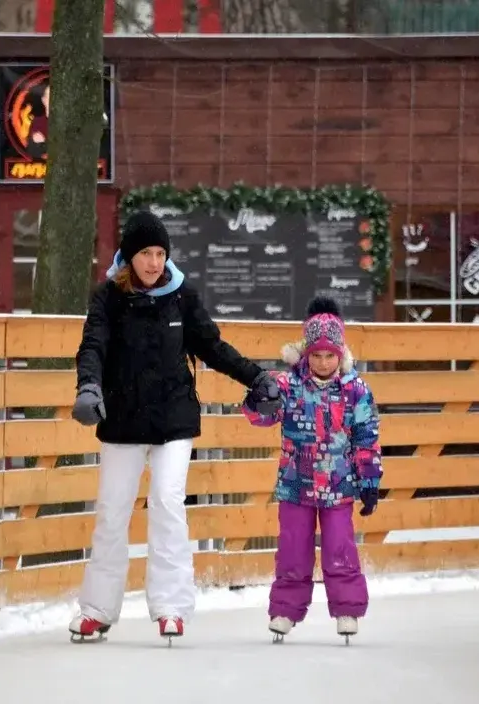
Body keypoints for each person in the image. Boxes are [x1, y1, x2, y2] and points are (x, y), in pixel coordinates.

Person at [68, 210, 281, 643]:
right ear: (129, 256)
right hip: (123, 420)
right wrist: (89, 387)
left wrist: (256, 376)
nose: (153, 262)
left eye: (160, 253)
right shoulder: (107, 297)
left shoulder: (181, 296)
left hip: (173, 418)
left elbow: (212, 346)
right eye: (145, 253)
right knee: (112, 512)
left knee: (167, 502)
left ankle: (171, 607)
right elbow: (93, 345)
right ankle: (97, 609)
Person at [241, 296, 382, 642]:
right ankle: (285, 611)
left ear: (340, 354)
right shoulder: (288, 385)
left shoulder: (355, 390)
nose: (322, 362)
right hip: (295, 484)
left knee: (339, 547)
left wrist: (370, 480)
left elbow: (367, 438)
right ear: (306, 354)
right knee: (292, 547)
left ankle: (347, 608)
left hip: (339, 485)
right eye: (316, 355)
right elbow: (261, 417)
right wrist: (256, 399)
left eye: (329, 355)